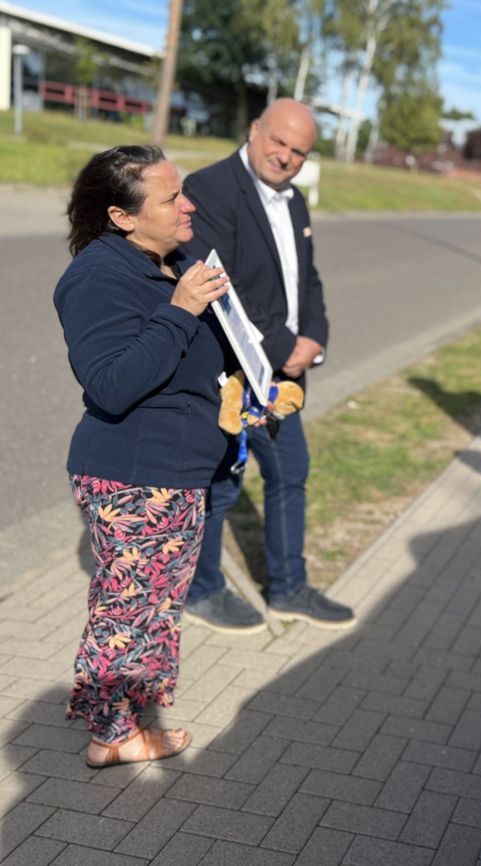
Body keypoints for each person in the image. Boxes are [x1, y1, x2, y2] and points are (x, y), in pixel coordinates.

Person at [54, 145, 231, 767]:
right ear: (122, 217)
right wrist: (181, 308)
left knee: (152, 611)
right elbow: (112, 381)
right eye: (170, 198)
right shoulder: (96, 277)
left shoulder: (166, 261)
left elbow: (188, 365)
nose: (189, 205)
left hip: (176, 472)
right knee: (126, 613)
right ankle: (110, 735)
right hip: (133, 476)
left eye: (182, 191)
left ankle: (125, 723)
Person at [182, 98, 356, 631]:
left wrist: (314, 342)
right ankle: (203, 590)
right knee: (222, 482)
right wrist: (285, 347)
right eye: (277, 141)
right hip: (231, 368)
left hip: (281, 375)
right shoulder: (210, 188)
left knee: (290, 472)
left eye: (298, 151)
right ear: (254, 128)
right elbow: (219, 282)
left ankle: (288, 589)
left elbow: (310, 281)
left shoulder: (295, 200)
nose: (284, 157)